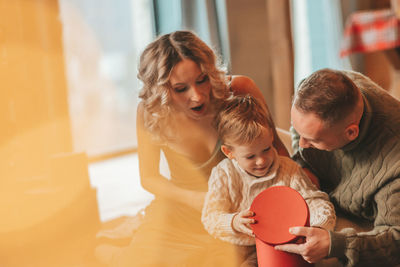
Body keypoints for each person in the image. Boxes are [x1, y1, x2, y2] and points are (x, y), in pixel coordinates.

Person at [104, 30, 289, 266]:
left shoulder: (240, 90)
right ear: (161, 90)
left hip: (238, 215)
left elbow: (279, 153)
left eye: (202, 80)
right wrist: (194, 199)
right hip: (181, 214)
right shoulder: (150, 112)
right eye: (181, 89)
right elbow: (149, 178)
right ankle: (110, 251)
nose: (198, 96)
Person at [274, 68, 400, 267]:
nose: (302, 144)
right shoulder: (330, 83)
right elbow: (299, 137)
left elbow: (395, 242)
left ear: (351, 132)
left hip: (366, 222)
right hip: (323, 184)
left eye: (312, 140)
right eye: (300, 133)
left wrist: (336, 245)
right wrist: (303, 164)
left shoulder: (394, 169)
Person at [201, 94, 336, 267]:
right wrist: (233, 222)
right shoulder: (223, 174)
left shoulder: (289, 170)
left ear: (271, 136)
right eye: (250, 156)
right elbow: (210, 217)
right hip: (234, 245)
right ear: (229, 152)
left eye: (266, 149)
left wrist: (318, 227)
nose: (261, 160)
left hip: (278, 245)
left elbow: (316, 201)